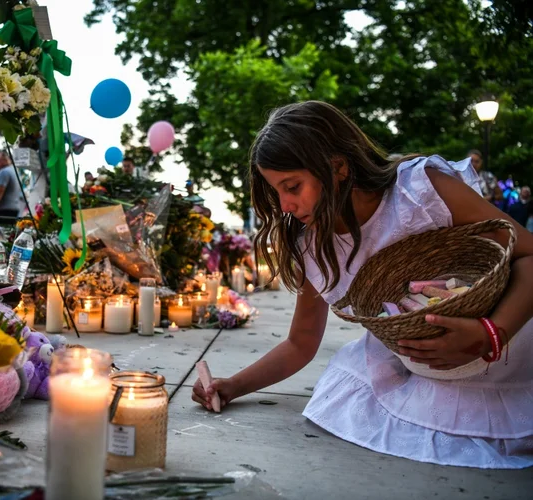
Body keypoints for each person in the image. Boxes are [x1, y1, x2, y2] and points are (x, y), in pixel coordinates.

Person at [192, 101, 533, 468]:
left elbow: (528, 254)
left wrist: (489, 335)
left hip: (509, 352)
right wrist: (233, 386)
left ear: (338, 166)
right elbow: (301, 341)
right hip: (422, 375)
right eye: (276, 192)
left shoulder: (418, 193)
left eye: (292, 186)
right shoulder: (314, 245)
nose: (285, 205)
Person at [0, 153, 21, 231]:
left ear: (5, 160)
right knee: (8, 236)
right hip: (14, 209)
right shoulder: (15, 171)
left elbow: (0, 189)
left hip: (2, 210)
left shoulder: (4, 172)